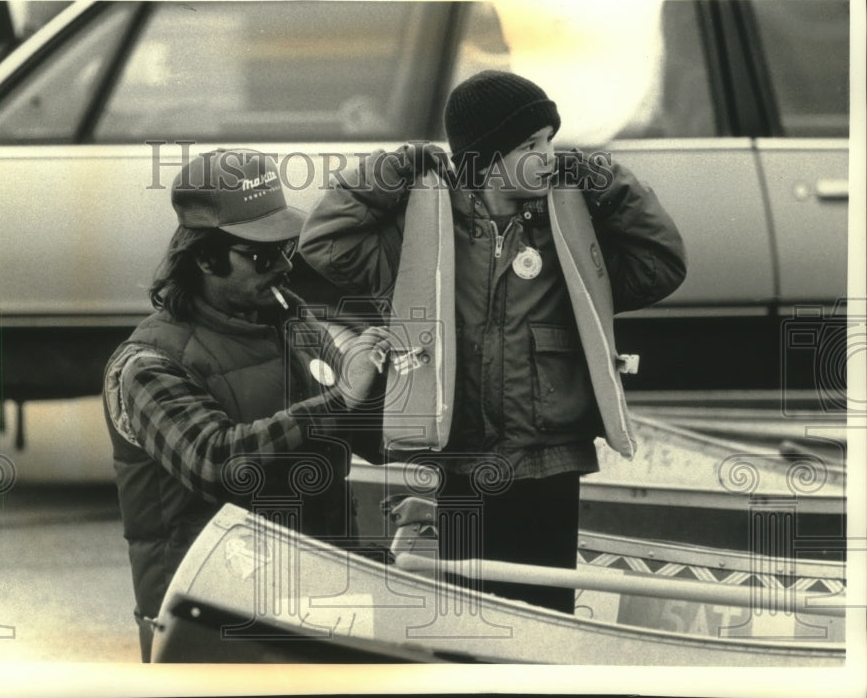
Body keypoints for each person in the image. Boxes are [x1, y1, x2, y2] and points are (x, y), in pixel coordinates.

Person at [299, 70, 687, 613]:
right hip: (463, 460)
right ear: (484, 157)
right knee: (467, 612)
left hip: (551, 462)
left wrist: (603, 177)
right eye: (531, 144)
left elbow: (661, 263)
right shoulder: (422, 239)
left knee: (546, 614)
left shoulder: (567, 235)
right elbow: (324, 241)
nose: (549, 155)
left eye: (551, 140)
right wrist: (395, 168)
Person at [103, 148, 388, 661]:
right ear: (205, 258)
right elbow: (217, 463)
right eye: (260, 256)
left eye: (286, 249)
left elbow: (358, 430)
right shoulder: (148, 363)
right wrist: (341, 397)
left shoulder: (289, 317)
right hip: (210, 619)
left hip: (307, 600)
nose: (281, 267)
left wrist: (387, 386)